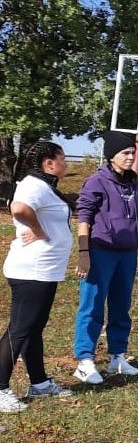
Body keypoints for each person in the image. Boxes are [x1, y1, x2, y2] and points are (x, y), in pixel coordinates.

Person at [72, 131, 138, 384]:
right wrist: (84, 252)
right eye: (125, 153)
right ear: (112, 157)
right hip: (100, 252)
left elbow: (136, 221)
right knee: (92, 305)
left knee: (121, 306)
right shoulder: (97, 182)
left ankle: (118, 356)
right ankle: (85, 361)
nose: (131, 157)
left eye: (133, 152)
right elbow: (83, 218)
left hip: (126, 255)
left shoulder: (134, 184)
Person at [1, 142, 74, 413]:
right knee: (19, 330)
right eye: (62, 158)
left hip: (43, 271)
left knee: (33, 328)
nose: (66, 163)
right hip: (31, 270)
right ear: (48, 162)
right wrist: (39, 230)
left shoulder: (44, 187)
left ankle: (40, 384)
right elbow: (19, 208)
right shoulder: (33, 184)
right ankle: (0, 388)